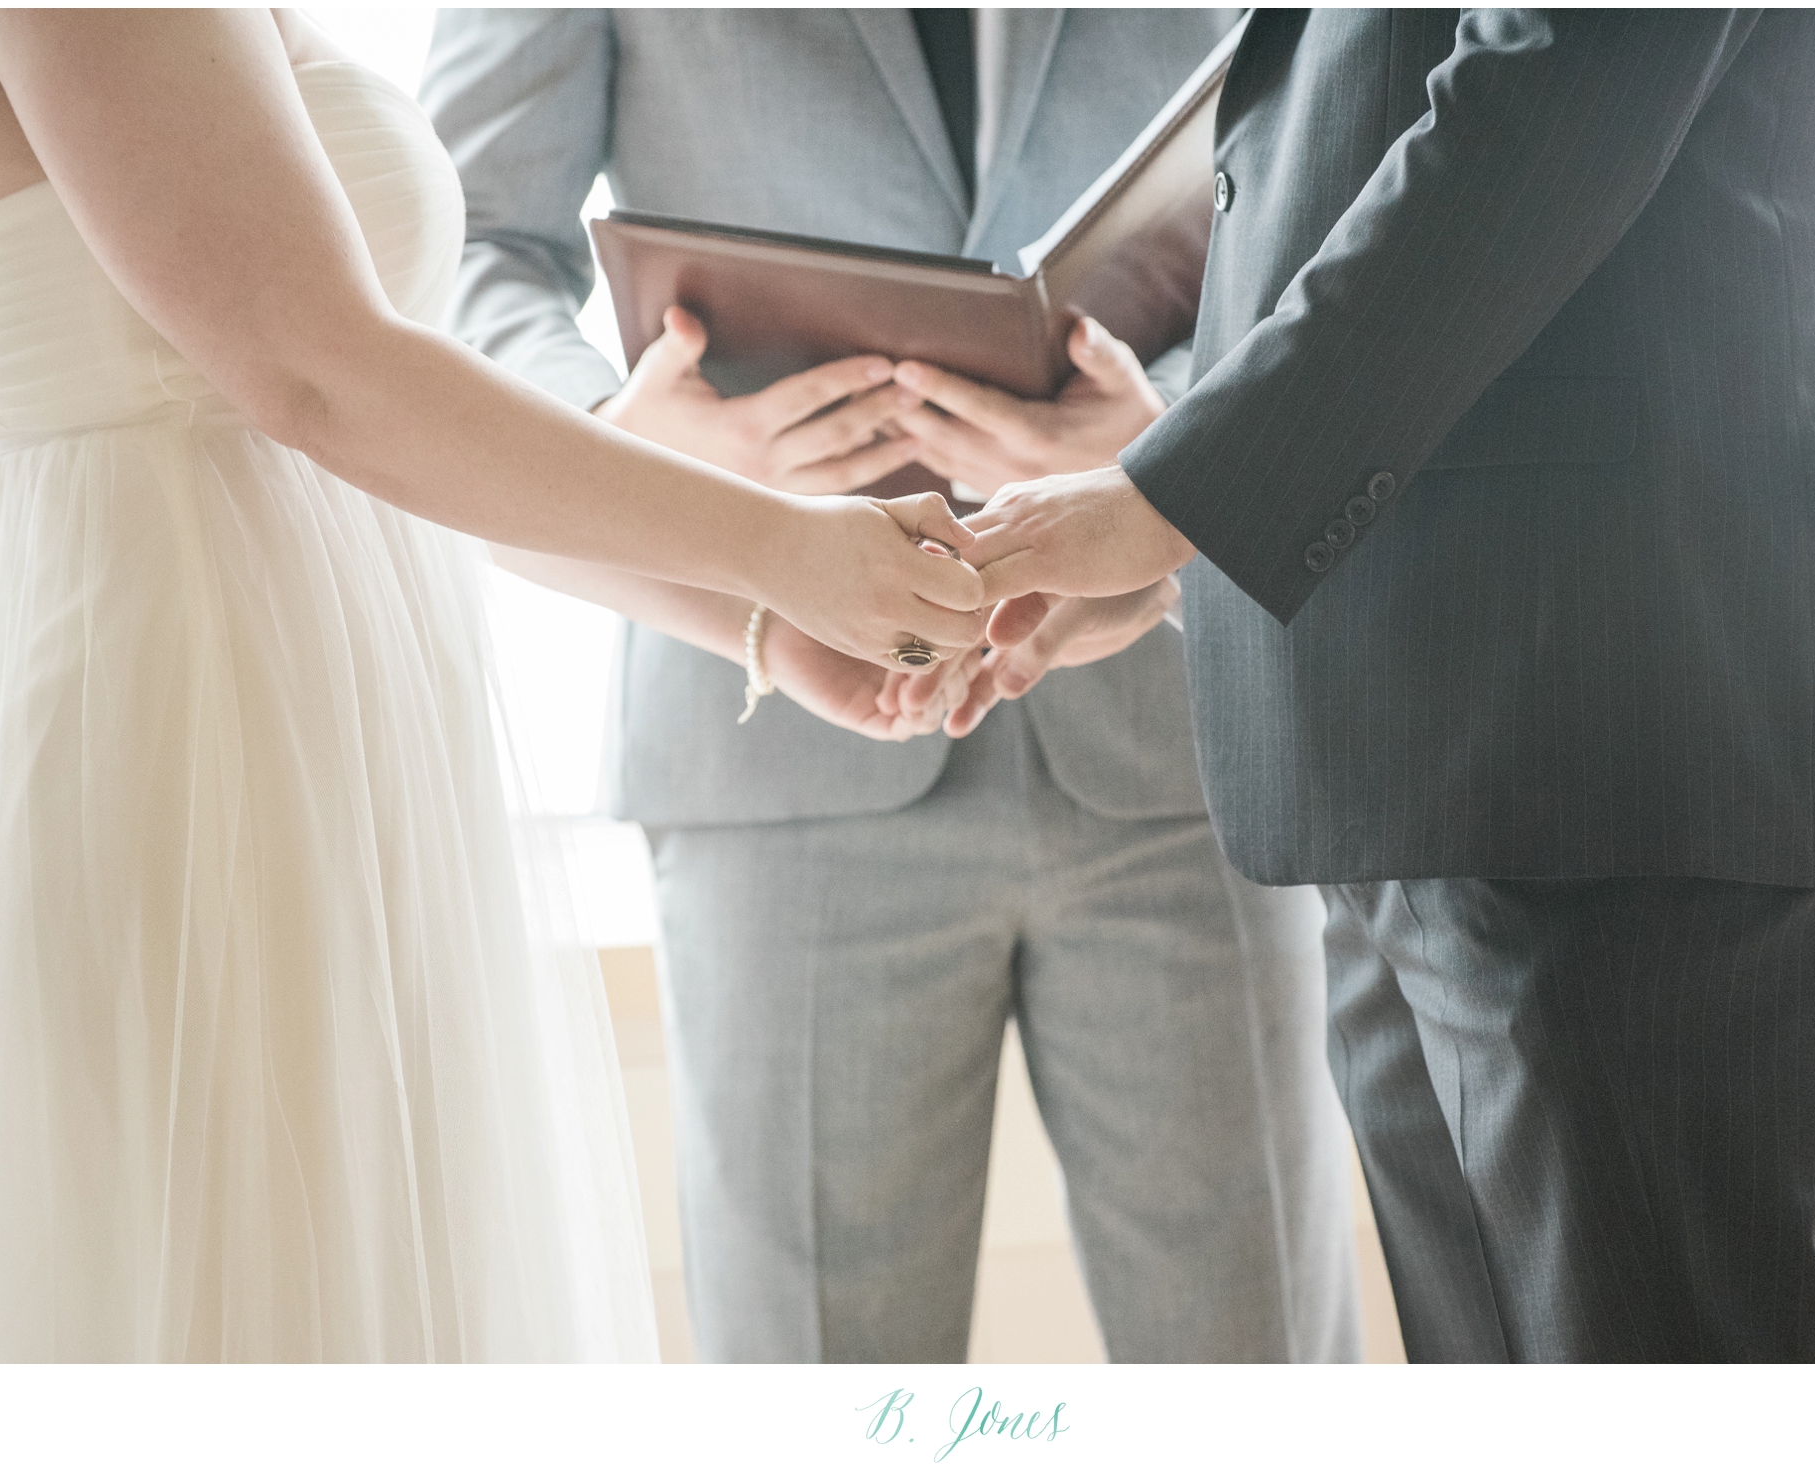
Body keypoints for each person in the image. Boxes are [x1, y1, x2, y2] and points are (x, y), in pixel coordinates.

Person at [0, 7, 986, 1362]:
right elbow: (322, 380)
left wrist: (757, 623)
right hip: (166, 750)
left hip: (327, 761)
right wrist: (784, 547)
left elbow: (398, 452)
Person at [967, 8, 1815, 1361]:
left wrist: (1176, 498)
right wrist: (1183, 542)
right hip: (1426, 730)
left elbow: (1552, 91)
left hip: (1611, 726)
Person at [422, 8, 1361, 1363]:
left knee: (1255, 1365)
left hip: (1179, 732)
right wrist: (622, 443)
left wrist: (1181, 437)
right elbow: (456, 244)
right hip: (775, 753)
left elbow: (1326, 182)